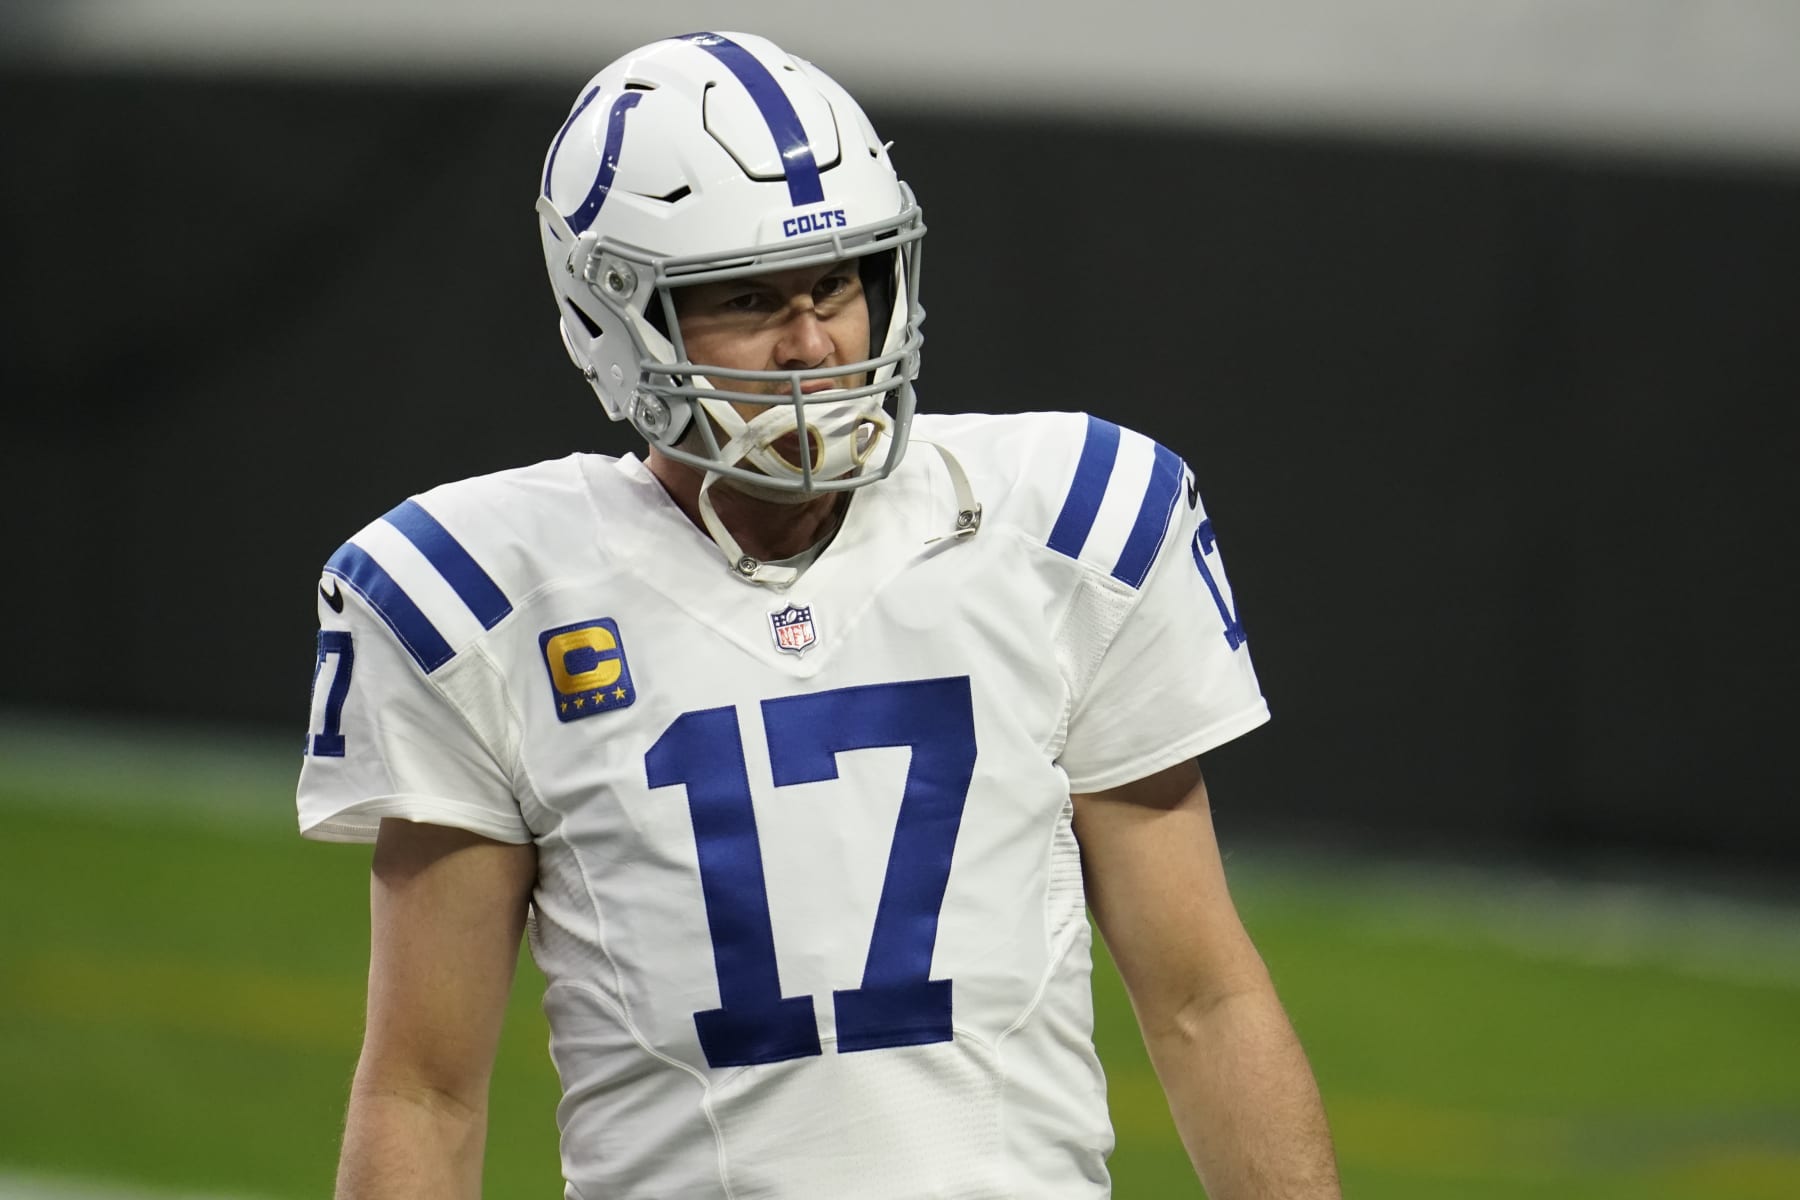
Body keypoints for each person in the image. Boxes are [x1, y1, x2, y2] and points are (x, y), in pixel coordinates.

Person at [297, 29, 1339, 1200]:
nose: (814, 345)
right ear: (614, 318)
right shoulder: (480, 600)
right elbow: (424, 1092)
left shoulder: (1062, 528)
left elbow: (1203, 998)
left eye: (838, 282)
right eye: (748, 298)